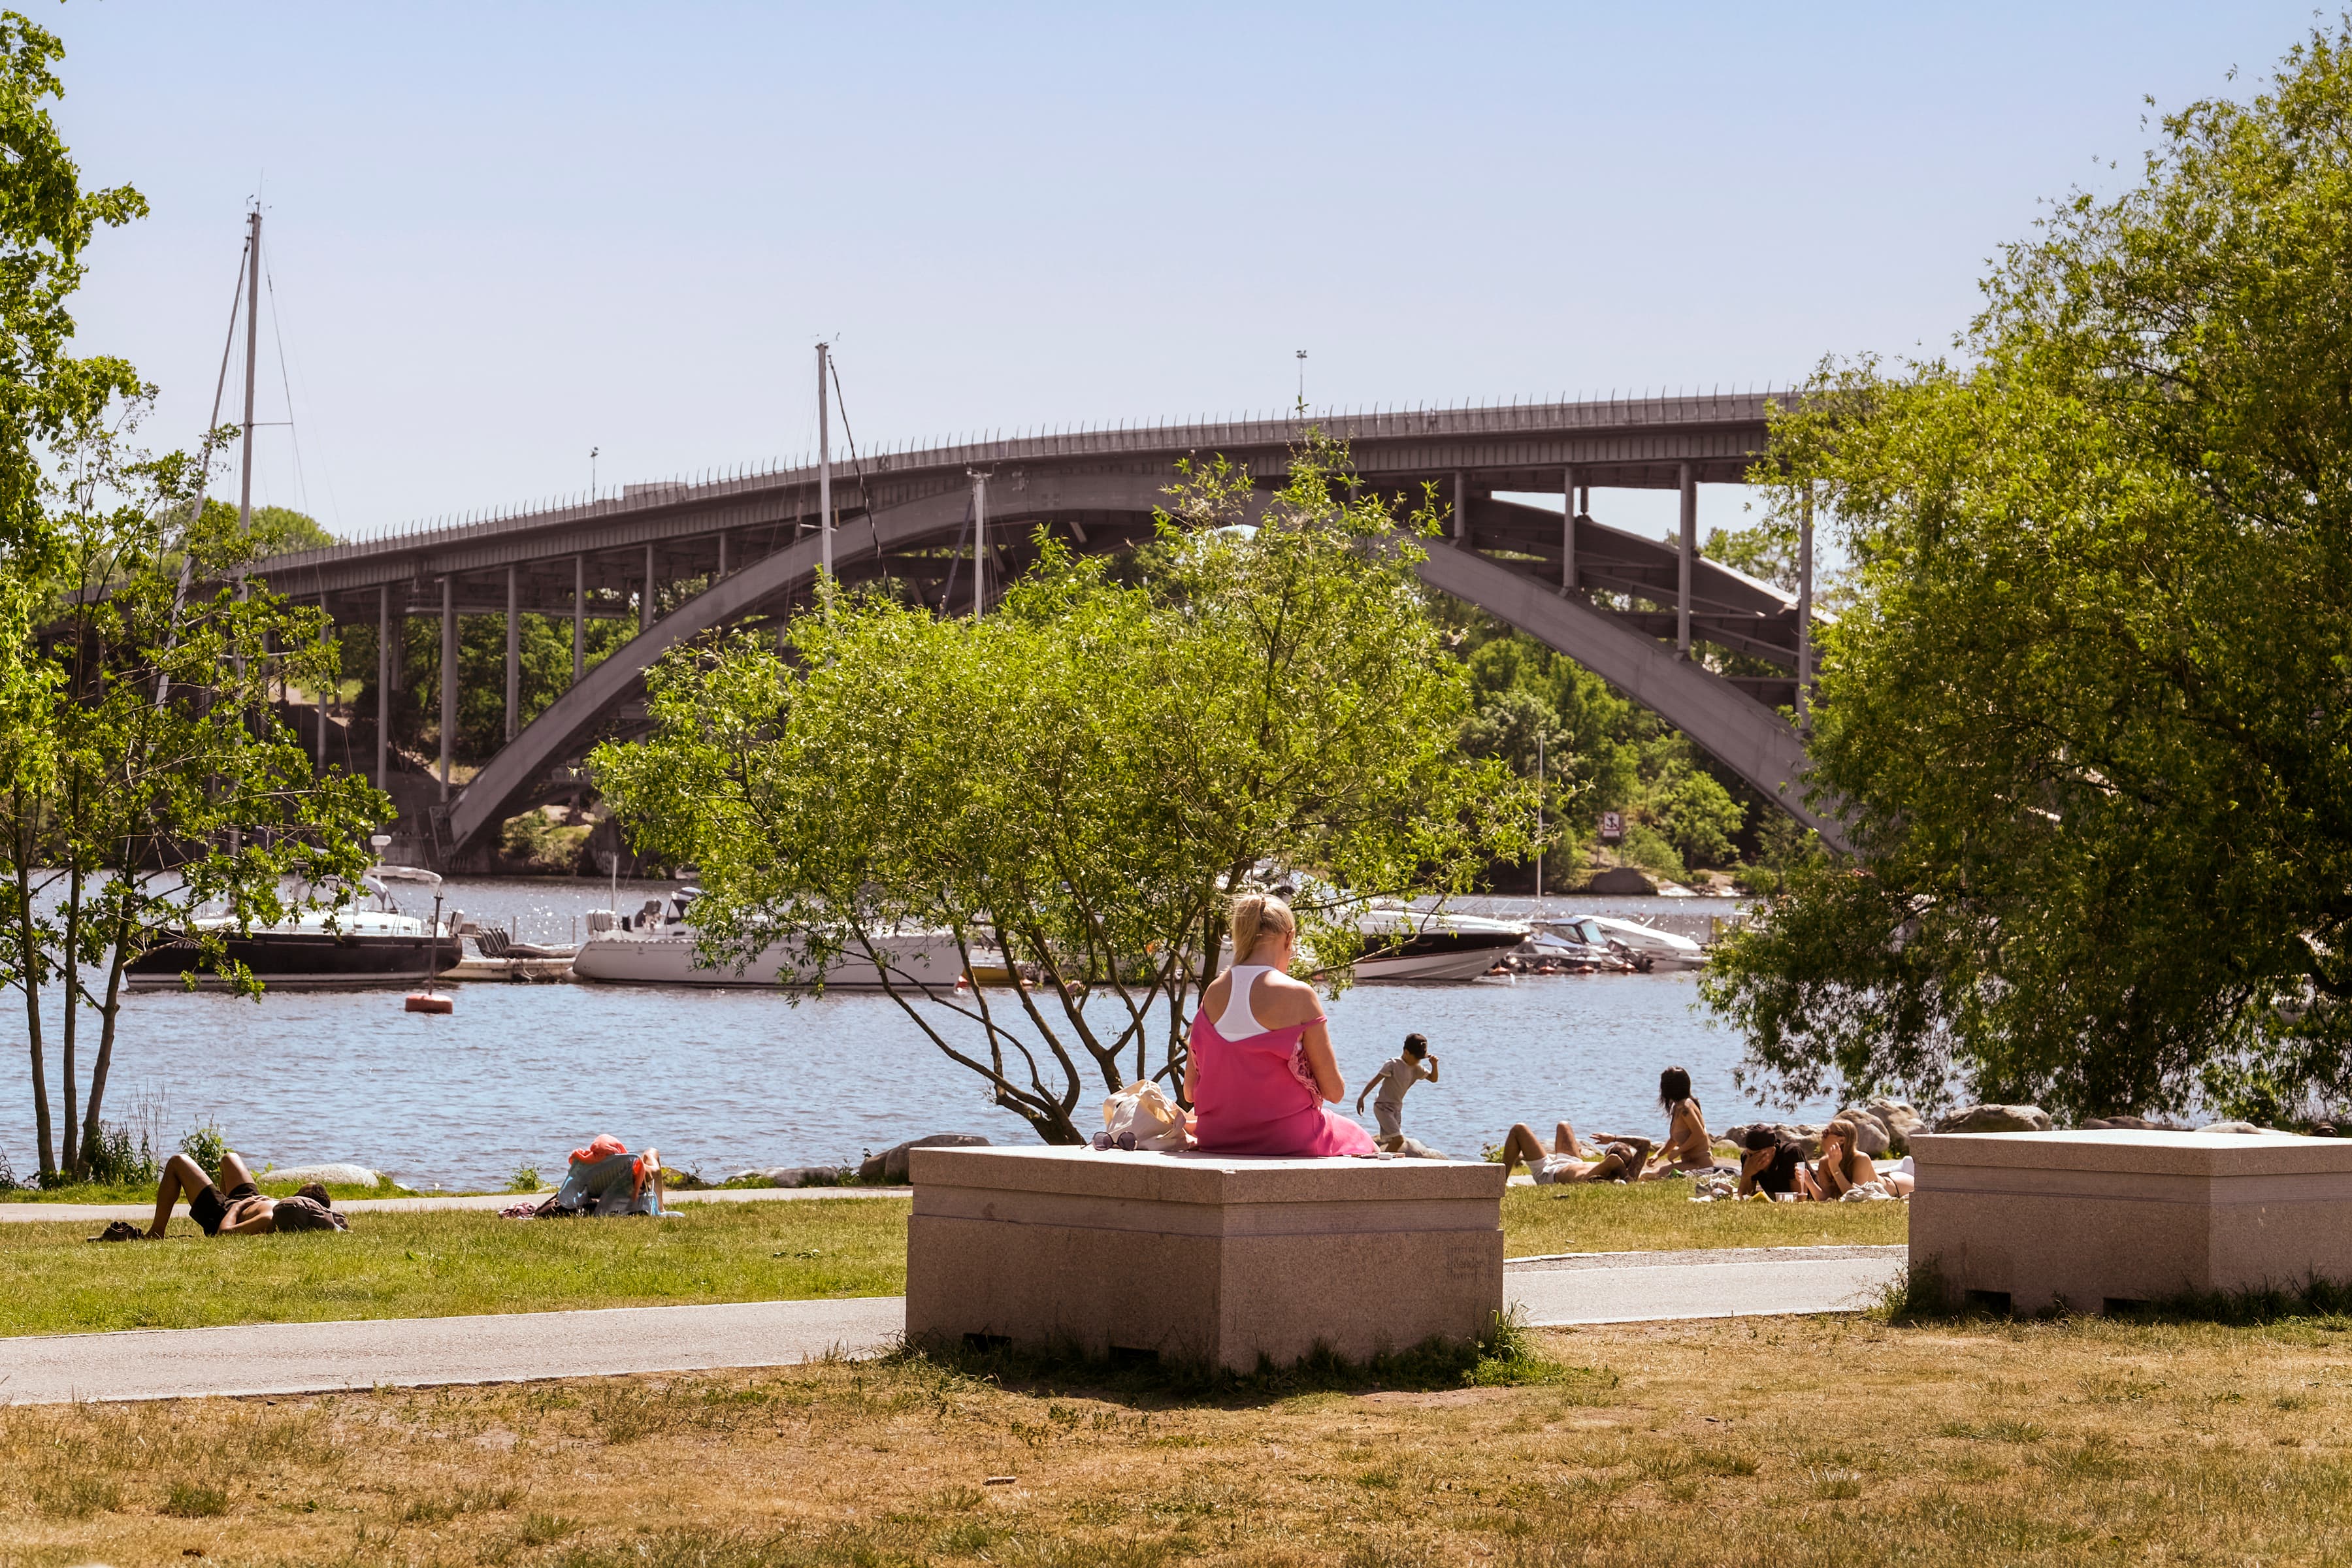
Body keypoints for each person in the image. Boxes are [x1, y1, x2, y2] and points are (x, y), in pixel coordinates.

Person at [1184, 892, 1376, 1157]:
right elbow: (1334, 1092)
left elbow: (1189, 1092)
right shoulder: (1299, 994)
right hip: (1289, 1137)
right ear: (1289, 937)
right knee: (1361, 1140)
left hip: (1216, 1136)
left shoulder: (1213, 993)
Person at [144, 1150, 307, 1238]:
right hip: (250, 1200)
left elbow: (225, 1233)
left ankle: (156, 1232)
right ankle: (221, 1199)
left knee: (177, 1161)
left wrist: (240, 1205)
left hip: (226, 1213)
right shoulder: (303, 1211)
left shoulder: (270, 1218)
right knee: (230, 1157)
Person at [1497, 1120, 1654, 1184]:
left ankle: (1499, 1182)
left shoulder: (1614, 1177)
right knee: (1563, 1125)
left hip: (1549, 1174)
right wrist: (1613, 1138)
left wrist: (1626, 1176)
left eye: (1622, 1156)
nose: (1615, 1152)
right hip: (1572, 1162)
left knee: (1519, 1129)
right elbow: (1645, 1143)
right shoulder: (1609, 1166)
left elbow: (1613, 1159)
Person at [1356, 1032, 1439, 1151]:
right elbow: (1375, 1081)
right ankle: (1383, 1164)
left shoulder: (1417, 1068)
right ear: (1406, 1052)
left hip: (1397, 1108)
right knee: (1399, 1139)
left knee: (1393, 1140)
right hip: (1382, 1107)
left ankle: (1384, 1160)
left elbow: (1433, 1079)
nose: (1418, 1061)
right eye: (1416, 1058)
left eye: (1421, 1059)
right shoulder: (1393, 1064)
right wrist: (1361, 1098)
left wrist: (1434, 1065)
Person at [1641, 1066, 1724, 1177]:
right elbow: (1673, 1140)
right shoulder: (1678, 1107)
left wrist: (1678, 1151)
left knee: (1647, 1176)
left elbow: (1700, 1134)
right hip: (1689, 1163)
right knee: (1646, 1176)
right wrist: (1657, 1155)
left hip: (1701, 1165)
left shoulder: (1686, 1107)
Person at [1808, 1119, 1880, 1200]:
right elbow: (1825, 1198)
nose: (1822, 1136)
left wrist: (1835, 1168)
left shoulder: (1861, 1159)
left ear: (1841, 1140)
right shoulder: (1824, 1162)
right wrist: (1809, 1181)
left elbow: (1856, 1196)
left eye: (1826, 1133)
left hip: (1893, 1184)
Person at [1737, 1126, 1811, 1199]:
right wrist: (1746, 1175)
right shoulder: (1748, 1158)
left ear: (1772, 1150)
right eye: (1750, 1154)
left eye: (1759, 1154)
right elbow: (1745, 1197)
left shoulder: (1790, 1153)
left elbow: (1800, 1197)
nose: (1754, 1159)